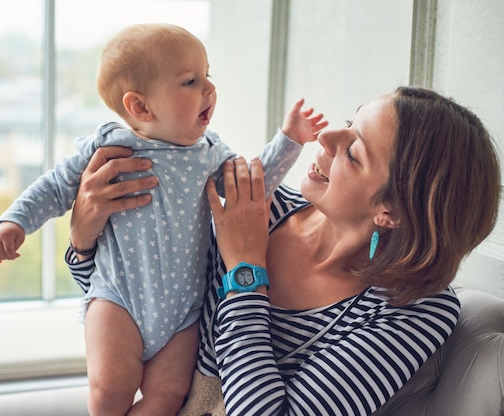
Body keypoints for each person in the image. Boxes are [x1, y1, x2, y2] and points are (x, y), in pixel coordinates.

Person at [66, 86, 501, 415]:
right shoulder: (257, 207)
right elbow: (135, 306)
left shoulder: (414, 309)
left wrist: (245, 270)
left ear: (392, 211)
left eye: (353, 151)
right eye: (349, 121)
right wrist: (83, 243)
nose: (327, 136)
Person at [0, 23, 327, 415]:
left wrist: (289, 139)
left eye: (208, 75)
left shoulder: (210, 151)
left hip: (185, 313)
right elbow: (56, 186)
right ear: (140, 107)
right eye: (190, 81)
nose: (209, 89)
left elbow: (251, 187)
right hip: (119, 299)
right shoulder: (111, 145)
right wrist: (14, 221)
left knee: (167, 396)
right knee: (109, 389)